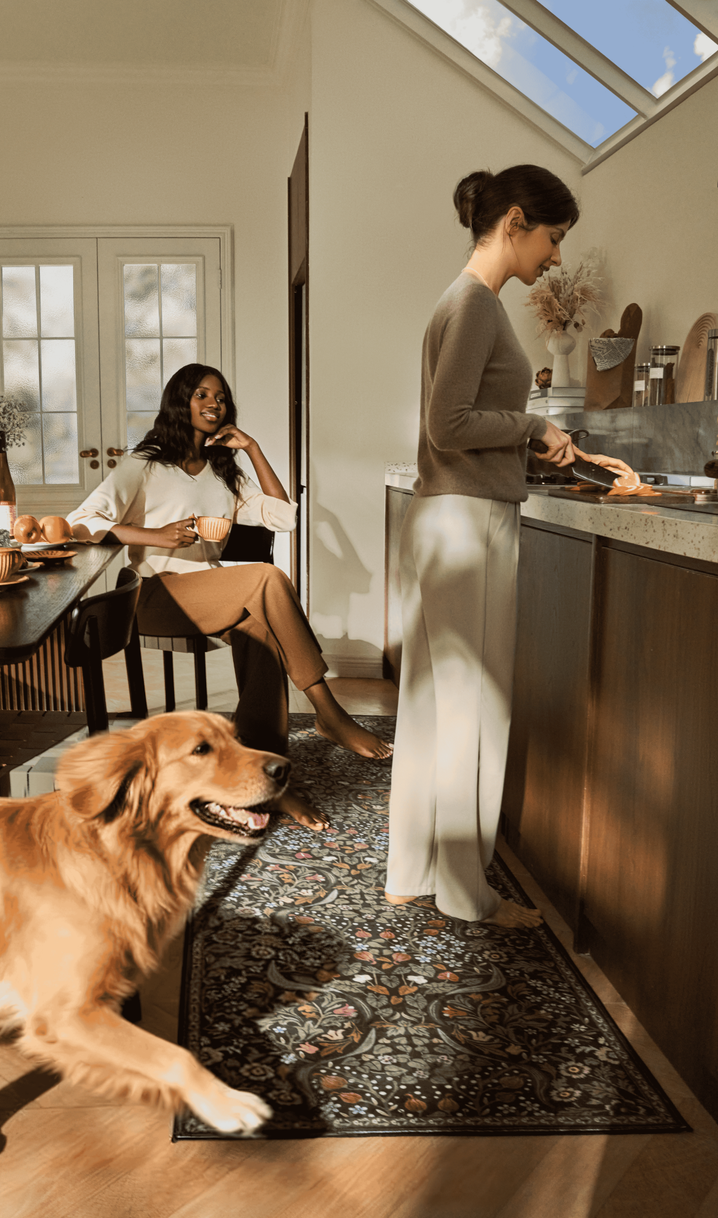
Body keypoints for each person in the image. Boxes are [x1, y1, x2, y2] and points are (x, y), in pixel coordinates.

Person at [385, 165, 630, 929]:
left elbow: (454, 428)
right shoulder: (476, 306)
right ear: (516, 221)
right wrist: (531, 427)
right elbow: (447, 424)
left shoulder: (457, 302)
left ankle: (412, 871)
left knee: (430, 703)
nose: (555, 258)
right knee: (472, 708)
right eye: (553, 239)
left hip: (447, 516)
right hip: (468, 525)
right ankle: (464, 891)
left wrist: (536, 445)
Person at [67, 363, 392, 829]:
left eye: (220, 396)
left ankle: (264, 782)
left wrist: (254, 449)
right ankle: (329, 712)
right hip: (157, 596)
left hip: (209, 594)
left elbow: (284, 517)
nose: (214, 403)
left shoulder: (224, 472)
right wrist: (154, 536)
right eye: (202, 394)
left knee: (260, 629)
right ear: (180, 400)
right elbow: (82, 521)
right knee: (265, 577)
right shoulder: (145, 463)